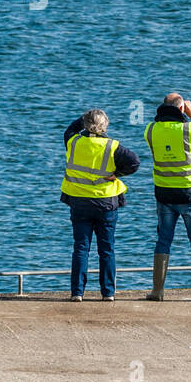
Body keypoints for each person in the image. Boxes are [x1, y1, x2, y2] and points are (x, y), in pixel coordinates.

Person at [143, 92, 191, 301]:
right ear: (182, 108)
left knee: (163, 240)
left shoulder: (150, 130)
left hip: (164, 194)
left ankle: (158, 291)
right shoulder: (188, 129)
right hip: (190, 195)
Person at [60, 108, 140, 302]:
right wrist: (117, 175)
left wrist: (83, 119)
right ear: (105, 126)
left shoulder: (74, 142)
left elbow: (69, 130)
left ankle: (77, 293)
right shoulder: (112, 146)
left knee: (81, 247)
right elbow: (134, 163)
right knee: (106, 249)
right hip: (106, 202)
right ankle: (108, 293)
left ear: (86, 124)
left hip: (79, 201)